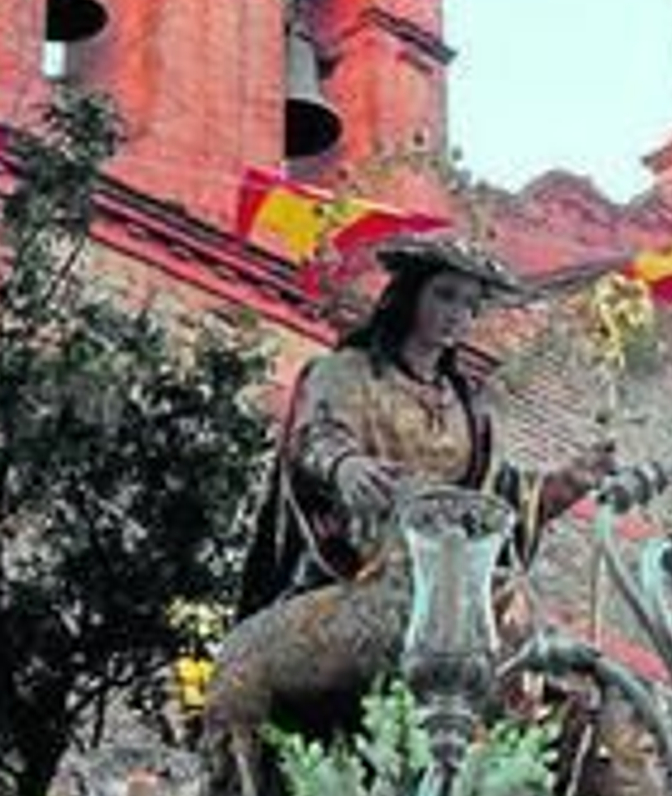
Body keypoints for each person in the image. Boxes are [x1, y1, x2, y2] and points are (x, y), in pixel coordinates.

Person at [237, 236, 614, 618]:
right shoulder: (347, 370)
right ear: (411, 296)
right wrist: (346, 466)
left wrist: (573, 479)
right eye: (445, 295)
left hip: (437, 580)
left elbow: (498, 500)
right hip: (350, 567)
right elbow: (316, 436)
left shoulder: (468, 406)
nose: (457, 314)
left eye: (470, 305)